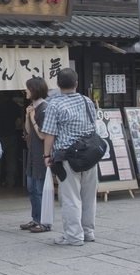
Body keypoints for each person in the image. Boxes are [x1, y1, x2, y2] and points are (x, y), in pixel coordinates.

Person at [42, 68, 98, 246]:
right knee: (89, 196)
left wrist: (46, 155)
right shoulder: (87, 101)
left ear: (58, 84)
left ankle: (74, 235)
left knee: (71, 197)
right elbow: (94, 125)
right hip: (90, 154)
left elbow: (49, 134)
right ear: (76, 84)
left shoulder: (53, 105)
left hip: (67, 156)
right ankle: (88, 231)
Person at [20, 77, 50, 233]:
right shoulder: (33, 107)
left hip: (41, 153)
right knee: (31, 188)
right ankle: (36, 218)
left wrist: (32, 118)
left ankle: (44, 221)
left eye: (28, 88)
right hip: (33, 152)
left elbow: (42, 135)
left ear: (35, 90)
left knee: (39, 189)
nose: (26, 91)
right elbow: (28, 131)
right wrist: (27, 117)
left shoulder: (45, 109)